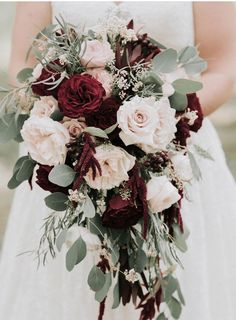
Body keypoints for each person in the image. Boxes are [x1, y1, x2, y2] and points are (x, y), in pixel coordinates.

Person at [1, 2, 236, 319]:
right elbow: (23, 66)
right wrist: (70, 126)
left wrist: (157, 121)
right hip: (68, 160)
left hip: (174, 156)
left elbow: (222, 68)